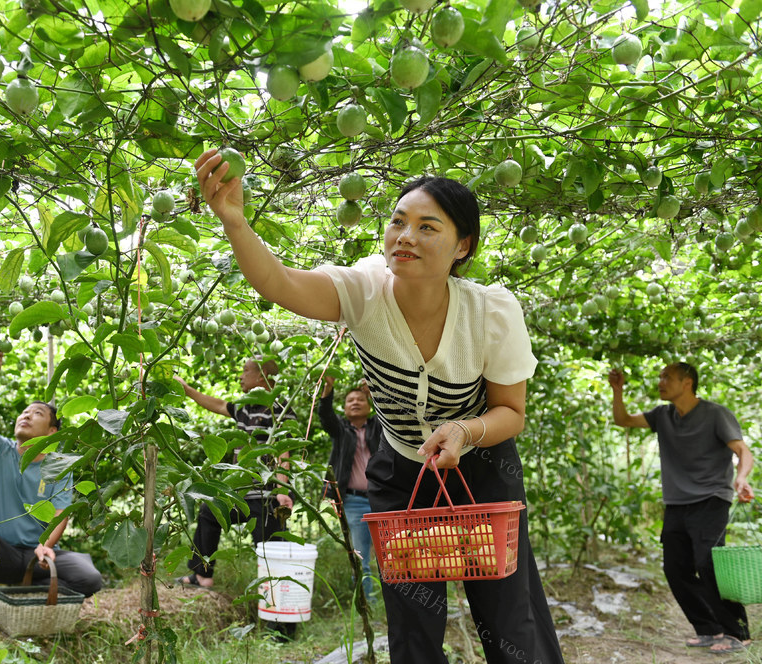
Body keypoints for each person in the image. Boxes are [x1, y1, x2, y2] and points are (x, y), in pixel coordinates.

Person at [194, 147, 564, 663]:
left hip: (481, 467)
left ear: (463, 245)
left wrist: (464, 431)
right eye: (398, 222)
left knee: (507, 617)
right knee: (413, 628)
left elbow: (511, 413)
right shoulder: (364, 291)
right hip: (401, 473)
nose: (405, 236)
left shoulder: (492, 312)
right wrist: (234, 221)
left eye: (427, 227)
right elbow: (280, 284)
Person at [0, 342, 103, 626]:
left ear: (51, 431)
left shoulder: (58, 466)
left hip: (37, 557)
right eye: (24, 412)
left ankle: (23, 596)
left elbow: (60, 515)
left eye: (36, 413)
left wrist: (46, 546)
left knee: (89, 577)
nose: (25, 415)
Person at [608, 362, 754, 654]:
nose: (661, 381)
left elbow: (742, 450)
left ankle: (737, 633)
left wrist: (741, 478)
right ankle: (709, 629)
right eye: (660, 376)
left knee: (708, 564)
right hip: (676, 503)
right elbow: (623, 419)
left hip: (712, 498)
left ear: (687, 382)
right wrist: (617, 390)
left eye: (667, 377)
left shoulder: (715, 414)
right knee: (675, 569)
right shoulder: (663, 416)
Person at [175, 358, 296, 589]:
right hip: (240, 494)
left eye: (245, 371)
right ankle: (202, 575)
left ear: (261, 377)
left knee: (271, 549)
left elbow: (284, 453)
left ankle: (277, 598)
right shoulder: (245, 408)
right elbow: (219, 405)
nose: (241, 376)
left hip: (265, 494)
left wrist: (281, 491)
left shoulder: (279, 410)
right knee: (209, 511)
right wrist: (188, 391)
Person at [319, 376, 381, 601]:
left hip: (382, 499)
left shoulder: (378, 427)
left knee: (391, 552)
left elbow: (389, 416)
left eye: (360, 399)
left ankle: (394, 601)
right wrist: (328, 388)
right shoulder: (341, 430)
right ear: (344, 409)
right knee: (360, 555)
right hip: (354, 501)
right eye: (350, 401)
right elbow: (325, 417)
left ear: (369, 405)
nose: (355, 402)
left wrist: (374, 391)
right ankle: (367, 603)